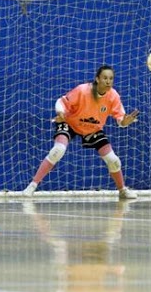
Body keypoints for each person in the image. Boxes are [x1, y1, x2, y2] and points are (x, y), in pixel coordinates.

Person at [23, 65, 140, 199]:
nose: (108, 81)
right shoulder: (83, 90)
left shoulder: (113, 96)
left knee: (113, 161)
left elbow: (121, 121)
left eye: (111, 79)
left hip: (93, 129)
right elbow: (61, 102)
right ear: (97, 79)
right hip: (70, 123)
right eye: (105, 78)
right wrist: (60, 112)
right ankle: (32, 185)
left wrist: (126, 122)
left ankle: (122, 190)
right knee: (58, 150)